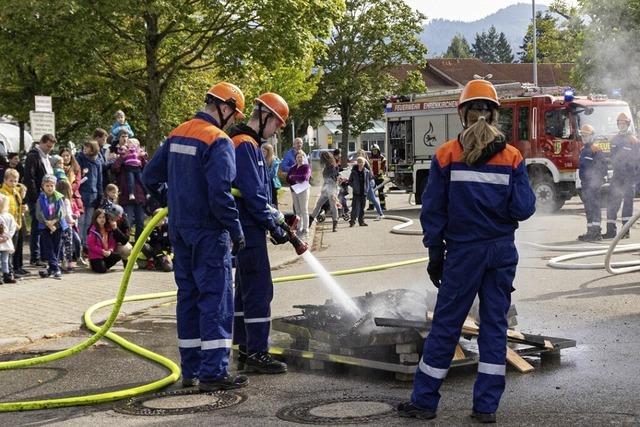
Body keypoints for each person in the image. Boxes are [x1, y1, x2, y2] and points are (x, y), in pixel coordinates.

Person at [398, 79, 536, 423]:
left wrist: (434, 254)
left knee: (446, 325)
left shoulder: (446, 155)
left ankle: (425, 402)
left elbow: (433, 212)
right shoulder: (512, 156)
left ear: (463, 114)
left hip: (463, 255)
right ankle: (486, 408)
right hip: (501, 253)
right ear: (493, 115)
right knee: (494, 328)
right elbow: (524, 208)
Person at [142, 81, 248, 392]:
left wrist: (170, 201)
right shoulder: (218, 140)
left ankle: (190, 371)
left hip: (180, 229)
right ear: (225, 107)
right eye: (234, 115)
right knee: (214, 299)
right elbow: (220, 195)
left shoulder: (177, 132)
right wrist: (236, 229)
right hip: (208, 232)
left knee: (187, 297)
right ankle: (213, 372)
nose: (234, 122)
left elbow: (150, 177)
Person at [228, 92, 290, 374]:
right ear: (265, 117)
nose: (277, 131)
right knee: (259, 289)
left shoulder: (248, 143)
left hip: (247, 225)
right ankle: (258, 352)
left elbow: (259, 193)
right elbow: (253, 195)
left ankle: (244, 345)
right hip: (249, 228)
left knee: (244, 289)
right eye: (277, 124)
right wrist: (272, 224)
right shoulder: (245, 145)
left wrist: (277, 218)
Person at [603, 112, 639, 239]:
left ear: (628, 124)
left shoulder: (633, 141)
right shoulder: (614, 140)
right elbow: (611, 158)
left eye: (624, 123)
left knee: (628, 205)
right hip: (617, 177)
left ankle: (625, 232)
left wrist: (636, 179)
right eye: (620, 123)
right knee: (612, 202)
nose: (621, 125)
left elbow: (638, 161)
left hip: (629, 178)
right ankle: (610, 231)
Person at [24, 134, 56, 266]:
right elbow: (29, 178)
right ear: (42, 143)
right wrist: (36, 197)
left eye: (51, 147)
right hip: (37, 198)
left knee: (44, 227)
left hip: (47, 197)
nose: (49, 149)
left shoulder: (46, 157)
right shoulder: (33, 156)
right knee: (37, 227)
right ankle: (35, 257)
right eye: (48, 146)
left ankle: (44, 255)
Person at [577, 124, 607, 241]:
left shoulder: (596, 150)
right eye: (583, 136)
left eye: (586, 135)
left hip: (593, 185)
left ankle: (596, 232)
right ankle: (590, 231)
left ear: (592, 136)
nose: (584, 138)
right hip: (585, 185)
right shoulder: (583, 150)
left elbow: (602, 168)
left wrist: (596, 181)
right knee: (588, 208)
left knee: (594, 207)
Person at [36, 174, 68, 280]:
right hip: (45, 226)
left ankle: (51, 268)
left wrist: (54, 222)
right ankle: (56, 269)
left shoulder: (58, 197)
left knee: (56, 247)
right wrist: (47, 223)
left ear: (55, 186)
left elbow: (62, 211)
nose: (49, 188)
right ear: (43, 186)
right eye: (47, 185)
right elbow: (38, 213)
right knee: (48, 247)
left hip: (57, 225)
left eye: (52, 185)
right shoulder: (40, 198)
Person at [76, 140, 103, 248]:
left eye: (88, 147)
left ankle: (87, 243)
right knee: (81, 221)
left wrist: (100, 194)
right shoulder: (80, 159)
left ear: (93, 149)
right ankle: (79, 243)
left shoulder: (98, 162)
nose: (85, 149)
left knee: (89, 221)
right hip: (82, 193)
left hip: (93, 194)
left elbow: (100, 180)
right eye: (85, 147)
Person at [1, 169, 27, 278]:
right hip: (7, 225)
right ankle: (8, 271)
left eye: (15, 181)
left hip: (17, 223)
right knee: (7, 249)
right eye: (11, 181)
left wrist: (23, 208)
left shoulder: (16, 192)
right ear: (5, 180)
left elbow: (17, 206)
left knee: (15, 247)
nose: (13, 183)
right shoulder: (3, 193)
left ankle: (15, 268)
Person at [310, 151, 340, 232]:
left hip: (331, 189)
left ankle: (335, 224)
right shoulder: (327, 166)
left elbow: (336, 180)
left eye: (321, 158)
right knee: (319, 204)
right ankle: (311, 220)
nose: (320, 160)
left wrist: (334, 193)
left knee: (333, 206)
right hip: (326, 188)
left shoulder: (332, 167)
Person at [86, 208, 121, 273]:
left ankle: (104, 266)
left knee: (118, 256)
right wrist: (102, 251)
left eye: (103, 217)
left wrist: (110, 250)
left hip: (107, 253)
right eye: (99, 217)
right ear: (95, 219)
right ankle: (95, 265)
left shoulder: (108, 229)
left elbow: (112, 243)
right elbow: (91, 245)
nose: (102, 219)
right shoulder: (93, 230)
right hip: (96, 255)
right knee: (102, 270)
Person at [56, 179, 80, 272]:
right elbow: (67, 214)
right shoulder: (66, 200)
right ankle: (69, 264)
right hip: (67, 225)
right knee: (68, 245)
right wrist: (72, 220)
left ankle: (61, 263)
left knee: (60, 245)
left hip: (59, 225)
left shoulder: (57, 199)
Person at [286, 150, 311, 237]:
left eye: (301, 157)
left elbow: (304, 177)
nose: (299, 159)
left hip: (303, 190)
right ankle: (299, 226)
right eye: (298, 157)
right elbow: (287, 179)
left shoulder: (306, 167)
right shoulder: (293, 168)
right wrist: (294, 178)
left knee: (304, 209)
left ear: (304, 158)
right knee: (297, 210)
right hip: (294, 190)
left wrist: (293, 177)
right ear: (295, 159)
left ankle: (305, 227)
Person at [348, 157, 371, 227]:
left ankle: (361, 221)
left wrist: (367, 188)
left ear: (364, 164)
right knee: (354, 208)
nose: (361, 164)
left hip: (363, 192)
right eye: (359, 163)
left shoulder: (367, 171)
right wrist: (354, 186)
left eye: (362, 163)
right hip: (356, 192)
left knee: (362, 208)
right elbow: (350, 181)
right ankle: (352, 221)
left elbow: (368, 180)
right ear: (357, 163)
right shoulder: (354, 172)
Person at [0, 194, 17, 284]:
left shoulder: (8, 216)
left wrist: (7, 237)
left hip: (6, 242)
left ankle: (6, 275)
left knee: (5, 260)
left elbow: (12, 227)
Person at [261, 143, 281, 208]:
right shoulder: (261, 160)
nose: (262, 153)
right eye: (262, 151)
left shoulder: (275, 160)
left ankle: (276, 215)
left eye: (264, 151)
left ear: (269, 152)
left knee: (273, 200)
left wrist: (263, 175)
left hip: (272, 183)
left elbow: (273, 173)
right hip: (264, 183)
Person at [368, 143, 387, 211]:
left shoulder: (382, 158)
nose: (374, 152)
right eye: (373, 150)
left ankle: (383, 206)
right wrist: (371, 175)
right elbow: (368, 167)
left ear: (378, 150)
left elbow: (382, 167)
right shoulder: (369, 158)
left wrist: (378, 174)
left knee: (381, 192)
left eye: (376, 150)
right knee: (371, 192)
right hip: (372, 178)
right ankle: (371, 206)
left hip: (380, 178)